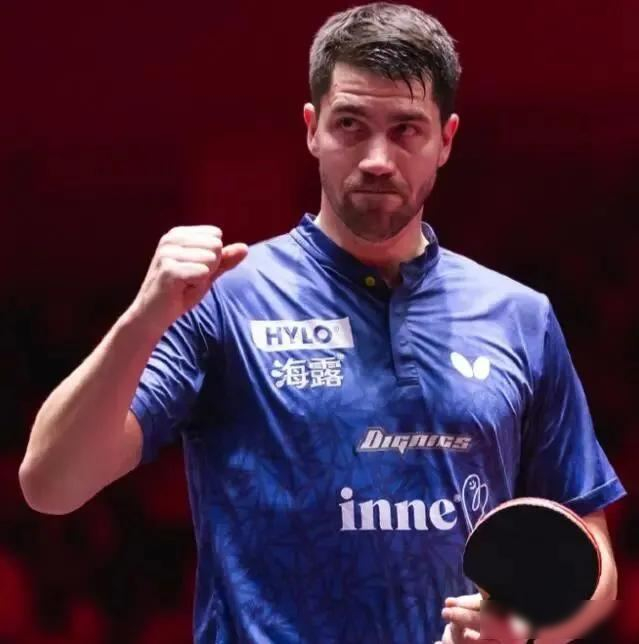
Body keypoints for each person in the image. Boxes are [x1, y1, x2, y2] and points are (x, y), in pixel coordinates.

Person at [20, 3, 626, 643]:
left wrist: (527, 632)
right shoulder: (226, 300)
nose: (377, 158)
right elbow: (50, 485)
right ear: (312, 129)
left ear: (446, 140)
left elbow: (594, 564)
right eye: (351, 124)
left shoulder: (520, 316)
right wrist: (140, 321)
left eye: (406, 130)